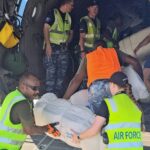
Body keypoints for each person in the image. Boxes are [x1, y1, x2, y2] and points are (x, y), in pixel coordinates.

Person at [72, 71, 143, 150]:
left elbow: (94, 130)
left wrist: (78, 136)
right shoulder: (135, 105)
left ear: (112, 85)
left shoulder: (109, 103)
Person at [0, 73, 60, 150]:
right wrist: (47, 129)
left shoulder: (13, 95)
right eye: (34, 88)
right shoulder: (22, 104)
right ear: (23, 87)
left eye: (38, 88)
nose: (38, 91)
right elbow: (29, 130)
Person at [64, 41, 121, 113]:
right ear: (106, 47)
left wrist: (64, 99)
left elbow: (77, 80)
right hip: (115, 88)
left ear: (92, 50)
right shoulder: (113, 51)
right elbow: (134, 61)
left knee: (98, 114)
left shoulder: (88, 56)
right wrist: (140, 78)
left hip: (96, 90)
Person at [43, 0, 74, 97]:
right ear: (66, 3)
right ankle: (48, 96)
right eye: (71, 5)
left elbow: (71, 32)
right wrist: (48, 45)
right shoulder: (53, 13)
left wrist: (67, 42)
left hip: (63, 49)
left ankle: (56, 96)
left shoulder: (69, 17)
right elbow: (46, 28)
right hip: (52, 47)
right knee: (51, 73)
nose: (72, 7)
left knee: (62, 73)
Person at [103, 13, 143, 79]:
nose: (121, 21)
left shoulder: (117, 29)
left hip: (113, 51)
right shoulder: (111, 24)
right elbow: (106, 34)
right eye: (120, 19)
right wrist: (113, 41)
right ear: (116, 19)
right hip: (109, 52)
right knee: (134, 62)